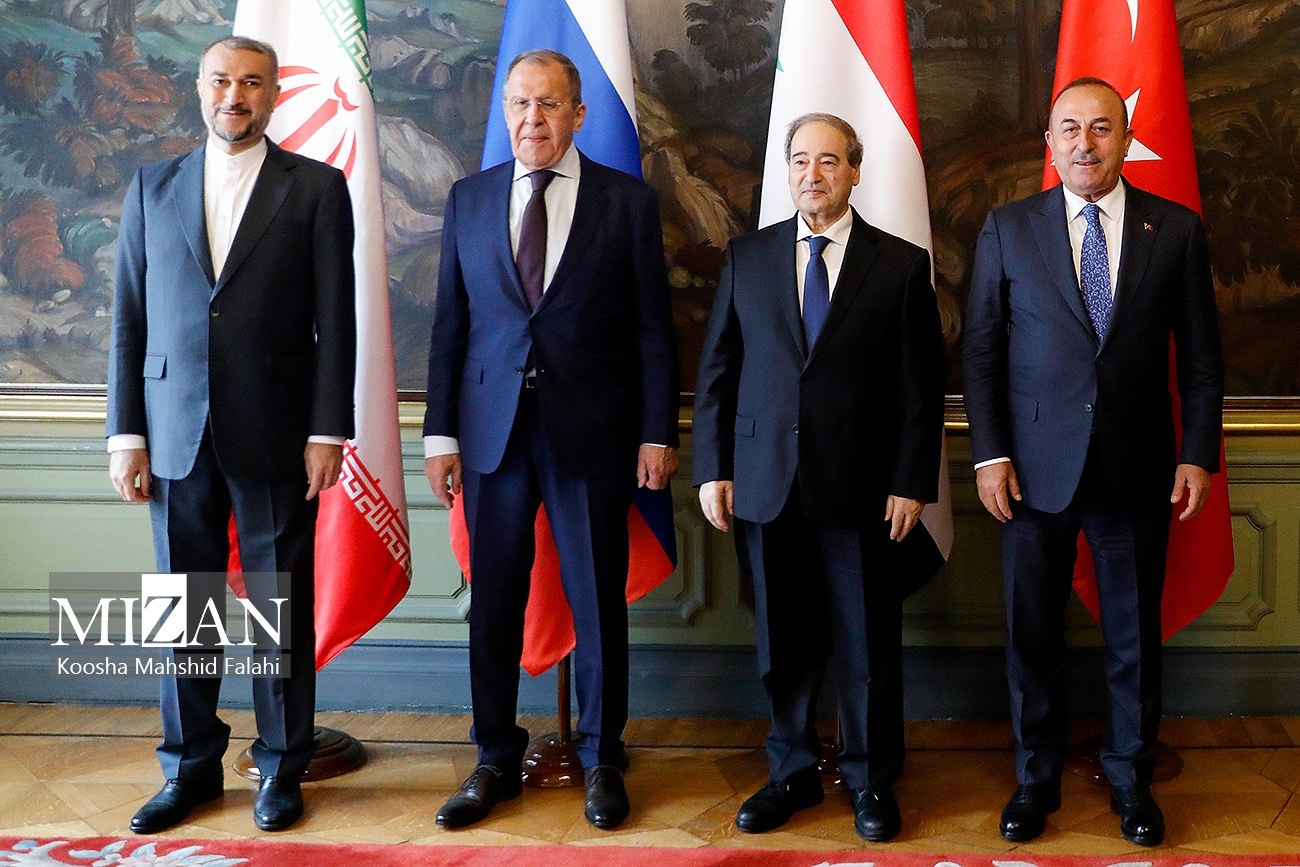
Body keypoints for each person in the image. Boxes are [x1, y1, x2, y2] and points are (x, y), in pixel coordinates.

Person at [963, 77, 1224, 847]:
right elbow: (981, 351)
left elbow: (1202, 357)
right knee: (1032, 634)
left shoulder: (1174, 230)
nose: (1086, 142)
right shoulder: (1009, 228)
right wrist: (991, 454)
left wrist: (1197, 453)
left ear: (1126, 137)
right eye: (1071, 128)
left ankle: (1131, 779)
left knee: (1133, 637)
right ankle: (1034, 781)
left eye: (1102, 127)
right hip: (1029, 470)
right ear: (1050, 143)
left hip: (1138, 467)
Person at [423, 49, 678, 831]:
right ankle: (494, 758)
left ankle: (603, 758)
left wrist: (656, 432)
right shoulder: (469, 199)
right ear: (505, 111)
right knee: (494, 603)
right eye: (519, 104)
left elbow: (653, 331)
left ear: (578, 113)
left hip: (593, 432)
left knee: (597, 602)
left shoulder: (626, 202)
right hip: (490, 436)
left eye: (548, 104)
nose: (532, 119)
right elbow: (450, 326)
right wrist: (439, 435)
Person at [106, 36, 356, 834]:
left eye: (251, 82)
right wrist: (125, 434)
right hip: (172, 432)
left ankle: (282, 767)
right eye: (221, 80)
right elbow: (128, 318)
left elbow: (336, 322)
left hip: (279, 431)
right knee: (185, 608)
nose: (234, 95)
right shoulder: (152, 186)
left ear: (274, 94)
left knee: (278, 609)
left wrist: (328, 429)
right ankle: (189, 770)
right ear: (200, 88)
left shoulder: (316, 188)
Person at [692, 113, 945, 842]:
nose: (813, 174)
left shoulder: (898, 265)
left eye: (829, 161)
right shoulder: (748, 258)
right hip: (766, 482)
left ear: (854, 171)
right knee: (784, 641)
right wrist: (713, 469)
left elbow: (920, 389)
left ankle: (870, 779)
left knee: (867, 645)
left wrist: (910, 480)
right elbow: (718, 373)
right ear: (788, 171)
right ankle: (792, 773)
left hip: (864, 490)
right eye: (800, 160)